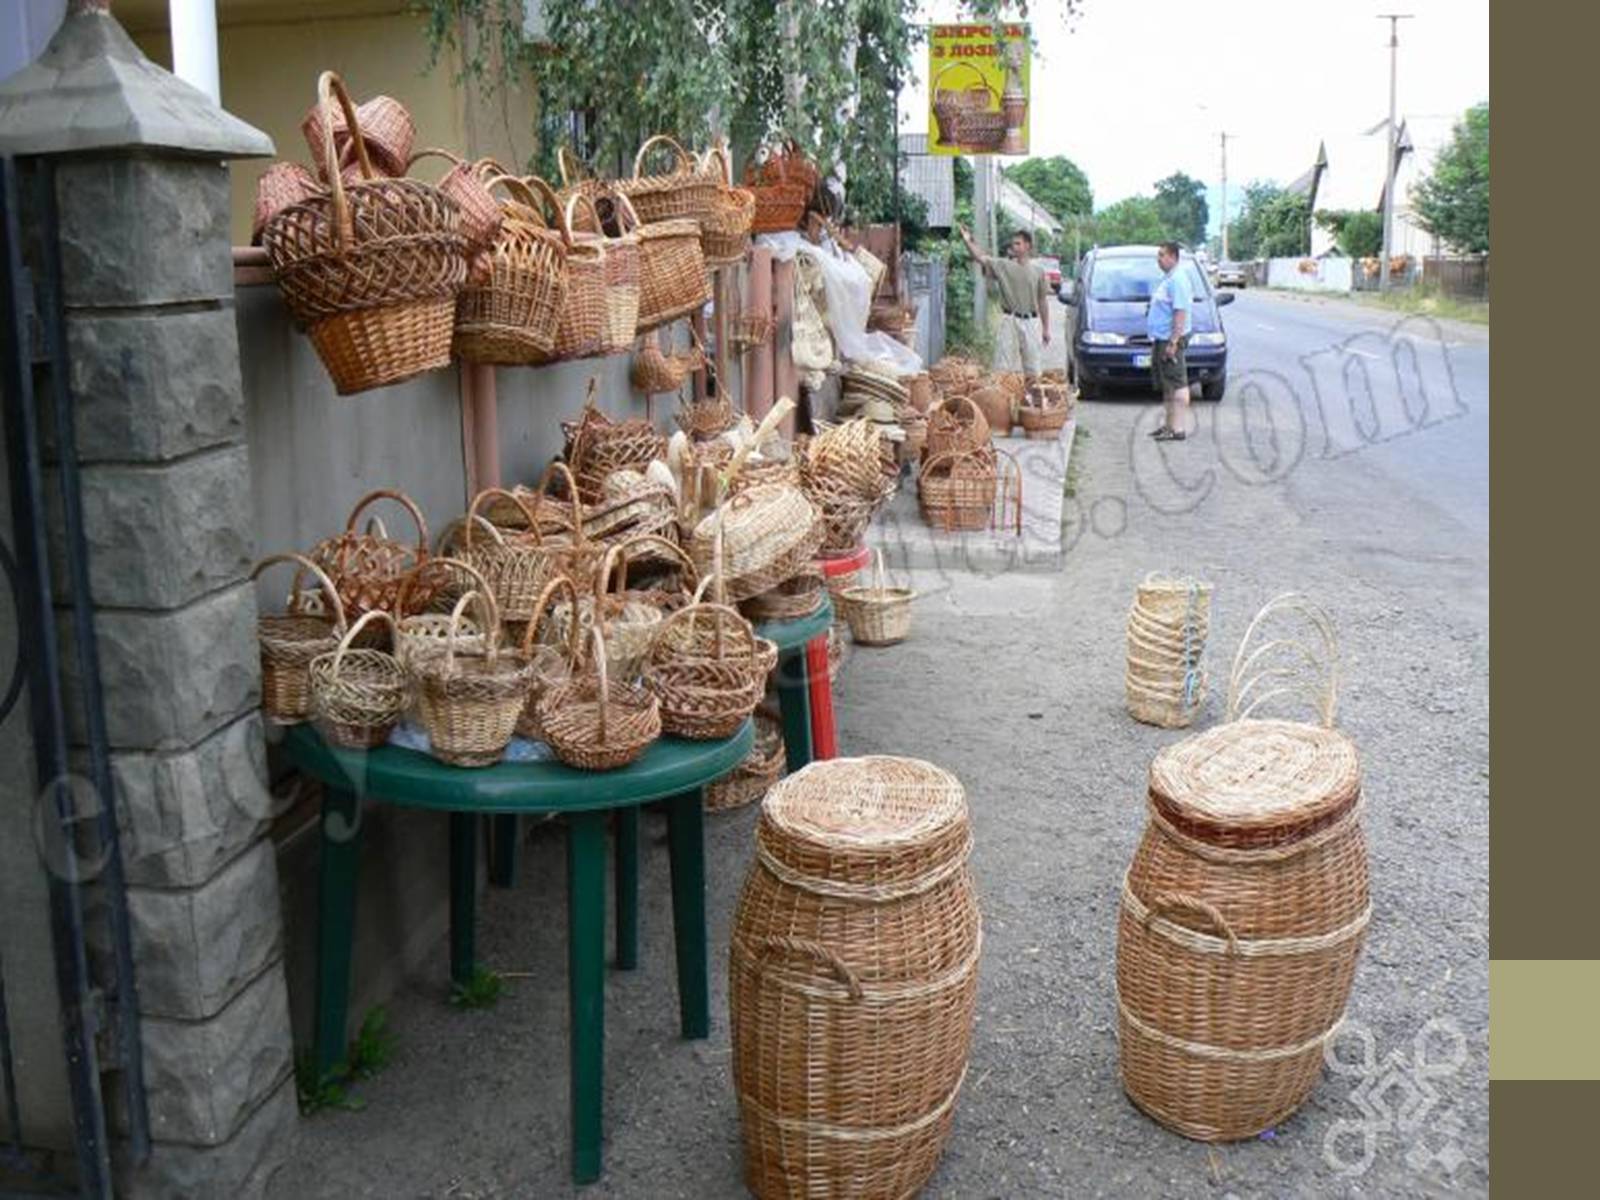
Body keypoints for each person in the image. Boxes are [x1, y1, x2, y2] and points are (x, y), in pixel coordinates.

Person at [956, 224, 1051, 398]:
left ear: (1027, 246)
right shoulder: (1003, 265)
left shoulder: (1038, 271)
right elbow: (981, 258)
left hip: (1030, 321)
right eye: (1013, 244)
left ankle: (1035, 407)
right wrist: (967, 240)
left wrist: (1045, 328)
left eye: (1018, 244)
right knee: (1003, 366)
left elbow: (1042, 301)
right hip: (1009, 319)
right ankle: (1001, 404)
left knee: (1033, 367)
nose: (1014, 247)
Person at [1147, 241, 1194, 441]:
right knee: (1168, 384)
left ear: (1173, 257)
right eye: (1158, 255)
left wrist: (1174, 341)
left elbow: (1180, 312)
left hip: (1170, 339)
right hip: (1161, 338)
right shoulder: (1169, 278)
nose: (1158, 259)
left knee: (1178, 383)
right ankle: (1168, 425)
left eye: (1162, 255)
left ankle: (1178, 429)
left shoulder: (1178, 279)